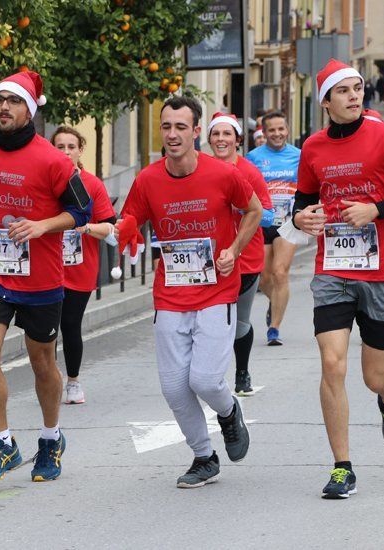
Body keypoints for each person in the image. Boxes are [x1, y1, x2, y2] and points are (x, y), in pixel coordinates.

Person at [292, 59, 384, 499]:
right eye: (344, 91)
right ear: (326, 102)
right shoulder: (313, 148)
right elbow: (302, 202)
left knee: (374, 376)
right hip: (333, 267)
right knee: (332, 363)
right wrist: (301, 218)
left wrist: (377, 209)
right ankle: (342, 467)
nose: (355, 95)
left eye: (358, 88)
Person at [0, 71, 92, 483]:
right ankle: (3, 443)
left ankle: (50, 438)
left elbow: (82, 212)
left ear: (29, 109)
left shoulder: (52, 159)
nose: (3, 108)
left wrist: (42, 225)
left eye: (13, 101)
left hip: (40, 277)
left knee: (42, 361)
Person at [121, 96, 262, 488]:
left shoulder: (222, 174)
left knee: (205, 381)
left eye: (181, 127)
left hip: (217, 292)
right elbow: (131, 217)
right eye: (166, 127)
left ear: (196, 131)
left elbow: (253, 210)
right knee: (173, 386)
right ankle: (204, 457)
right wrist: (125, 229)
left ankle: (229, 411)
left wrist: (233, 249)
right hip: (170, 293)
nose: (172, 134)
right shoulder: (148, 179)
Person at [206, 112, 273, 395]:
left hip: (245, 258)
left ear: (237, 140)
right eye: (216, 134)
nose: (221, 139)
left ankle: (242, 373)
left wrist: (241, 207)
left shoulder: (248, 172)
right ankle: (210, 377)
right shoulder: (200, 169)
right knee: (211, 321)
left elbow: (268, 215)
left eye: (227, 134)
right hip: (209, 258)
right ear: (208, 139)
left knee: (238, 321)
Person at [50, 126, 117, 404]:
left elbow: (111, 229)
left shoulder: (92, 184)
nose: (65, 152)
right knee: (45, 329)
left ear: (80, 151)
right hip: (47, 267)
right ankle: (49, 380)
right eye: (59, 146)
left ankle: (73, 382)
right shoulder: (44, 182)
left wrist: (86, 227)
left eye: (71, 146)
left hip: (80, 268)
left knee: (69, 323)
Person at [247, 112, 302, 346]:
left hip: (288, 223)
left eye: (281, 129)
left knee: (280, 272)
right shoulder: (253, 158)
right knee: (263, 277)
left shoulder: (299, 156)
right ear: (264, 133)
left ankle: (274, 328)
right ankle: (275, 301)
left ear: (287, 130)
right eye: (272, 130)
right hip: (263, 223)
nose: (277, 134)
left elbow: (307, 187)